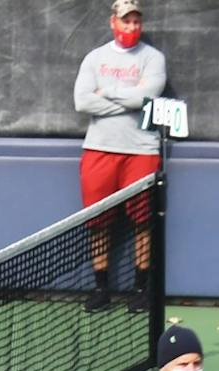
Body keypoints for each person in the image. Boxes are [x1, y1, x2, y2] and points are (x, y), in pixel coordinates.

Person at [74, 0, 166, 313]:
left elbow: (149, 96)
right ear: (114, 22)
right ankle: (101, 289)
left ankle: (141, 290)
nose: (131, 27)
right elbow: (82, 102)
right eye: (126, 21)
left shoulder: (153, 58)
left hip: (141, 151)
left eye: (136, 22)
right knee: (98, 222)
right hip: (98, 150)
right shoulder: (94, 58)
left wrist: (107, 92)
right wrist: (129, 97)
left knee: (143, 222)